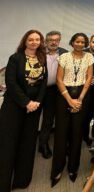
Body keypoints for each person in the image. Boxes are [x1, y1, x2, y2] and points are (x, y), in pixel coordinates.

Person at [0, 29, 47, 192]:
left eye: (37, 39)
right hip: (14, 108)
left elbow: (43, 83)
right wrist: (26, 102)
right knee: (7, 146)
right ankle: (2, 191)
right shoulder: (15, 58)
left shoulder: (42, 59)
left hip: (33, 109)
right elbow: (11, 83)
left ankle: (21, 180)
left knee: (27, 144)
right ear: (25, 41)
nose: (34, 42)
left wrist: (37, 103)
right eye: (31, 39)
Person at [51, 33, 94, 187]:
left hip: (82, 96)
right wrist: (70, 100)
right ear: (72, 42)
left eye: (83, 42)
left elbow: (89, 78)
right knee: (61, 133)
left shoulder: (89, 57)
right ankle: (57, 169)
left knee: (77, 133)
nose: (80, 44)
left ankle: (72, 168)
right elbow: (58, 79)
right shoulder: (64, 57)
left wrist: (80, 100)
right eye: (77, 41)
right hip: (64, 96)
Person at [38, 30, 67, 159]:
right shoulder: (40, 53)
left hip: (60, 89)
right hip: (43, 90)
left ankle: (61, 145)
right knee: (48, 118)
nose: (54, 42)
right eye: (51, 40)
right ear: (46, 41)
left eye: (56, 40)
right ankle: (43, 145)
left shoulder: (65, 52)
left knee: (61, 117)